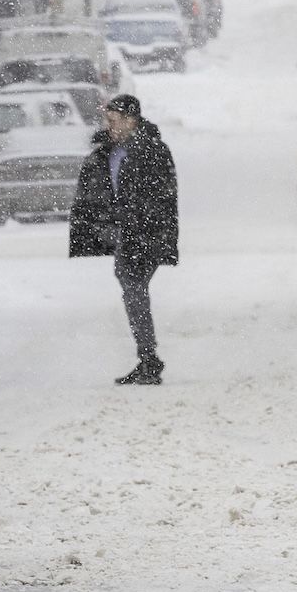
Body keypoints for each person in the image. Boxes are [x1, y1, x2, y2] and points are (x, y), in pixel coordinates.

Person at [69, 95, 179, 386]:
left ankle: (149, 358)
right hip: (127, 234)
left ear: (131, 121)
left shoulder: (152, 150)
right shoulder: (108, 150)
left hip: (146, 234)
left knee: (134, 288)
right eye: (108, 120)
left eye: (114, 120)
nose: (110, 126)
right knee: (132, 288)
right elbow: (101, 190)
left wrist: (141, 223)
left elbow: (162, 196)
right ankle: (148, 357)